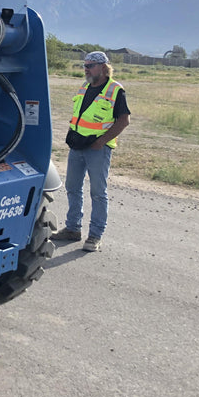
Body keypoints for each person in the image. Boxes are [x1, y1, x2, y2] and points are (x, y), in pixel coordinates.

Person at [52, 51, 131, 252]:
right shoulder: (85, 87)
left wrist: (102, 141)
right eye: (84, 65)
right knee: (72, 187)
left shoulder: (115, 90)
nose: (86, 69)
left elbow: (124, 120)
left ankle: (95, 236)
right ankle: (72, 229)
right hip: (77, 146)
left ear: (103, 67)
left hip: (98, 150)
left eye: (90, 66)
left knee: (97, 193)